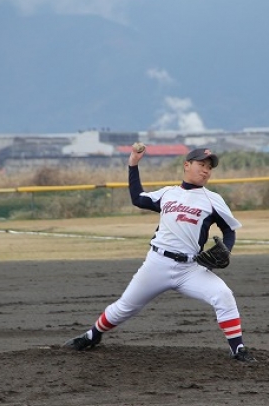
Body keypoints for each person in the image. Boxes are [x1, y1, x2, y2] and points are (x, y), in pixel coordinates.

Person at [64, 146, 256, 362]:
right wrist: (133, 164)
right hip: (157, 264)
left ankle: (237, 349)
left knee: (223, 295)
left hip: (191, 269)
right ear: (187, 165)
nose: (206, 170)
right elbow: (138, 198)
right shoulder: (167, 193)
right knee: (125, 307)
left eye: (209, 167)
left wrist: (226, 250)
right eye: (201, 164)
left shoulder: (212, 200)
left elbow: (229, 230)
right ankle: (92, 335)